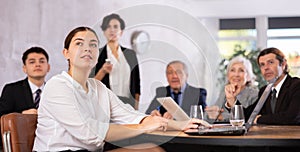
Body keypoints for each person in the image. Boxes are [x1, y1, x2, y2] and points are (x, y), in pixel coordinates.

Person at [33, 26, 210, 151]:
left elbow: (131, 115)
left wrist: (182, 124)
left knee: (151, 150)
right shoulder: (57, 86)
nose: (87, 48)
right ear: (66, 53)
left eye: (93, 44)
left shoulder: (99, 88)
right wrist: (143, 128)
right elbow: (90, 132)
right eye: (79, 43)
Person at [226, 47, 300, 125]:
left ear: (283, 64)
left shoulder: (296, 85)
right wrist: (232, 99)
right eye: (262, 65)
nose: (266, 68)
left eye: (270, 62)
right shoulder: (265, 91)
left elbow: (293, 117)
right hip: (271, 136)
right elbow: (249, 116)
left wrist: (260, 119)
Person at [93, 13, 140, 110]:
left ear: (121, 31)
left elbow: (137, 84)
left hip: (128, 104)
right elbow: (90, 85)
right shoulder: (97, 54)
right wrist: (102, 71)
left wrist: (136, 109)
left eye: (115, 27)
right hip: (107, 104)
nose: (112, 30)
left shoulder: (130, 54)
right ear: (104, 31)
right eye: (108, 27)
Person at [205, 56, 258, 122]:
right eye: (232, 70)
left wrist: (221, 116)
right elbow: (211, 116)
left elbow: (248, 118)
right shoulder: (224, 93)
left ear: (248, 76)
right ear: (228, 75)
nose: (236, 75)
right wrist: (210, 113)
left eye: (241, 70)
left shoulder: (254, 94)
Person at [0, 46, 50, 116]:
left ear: (48, 67)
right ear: (24, 68)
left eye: (41, 61)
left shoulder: (54, 91)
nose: (37, 65)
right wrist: (21, 114)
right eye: (32, 62)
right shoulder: (11, 90)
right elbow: (2, 116)